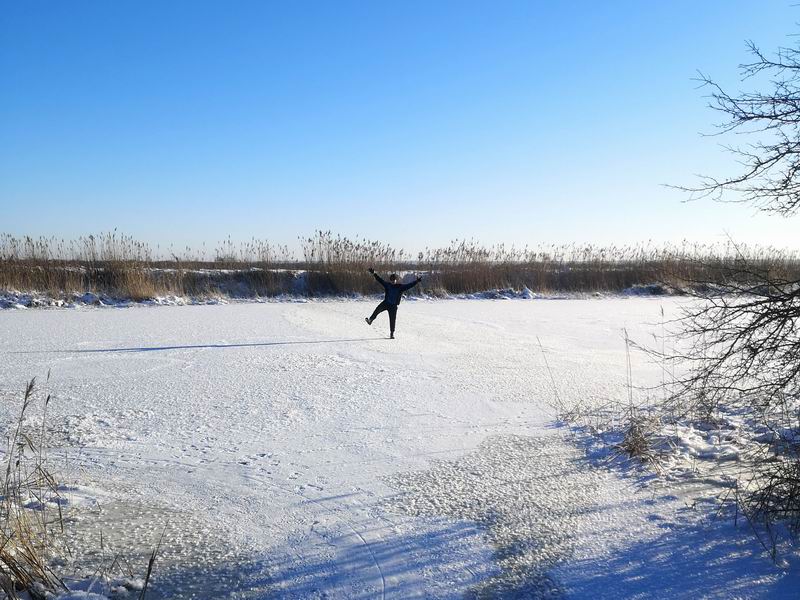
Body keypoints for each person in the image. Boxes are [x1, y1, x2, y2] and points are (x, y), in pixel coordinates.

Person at [365, 268, 422, 339]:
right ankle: (370, 320)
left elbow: (409, 285)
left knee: (392, 320)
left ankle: (392, 333)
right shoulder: (388, 285)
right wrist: (374, 273)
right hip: (386, 303)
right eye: (391, 280)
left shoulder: (400, 287)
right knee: (377, 310)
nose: (393, 281)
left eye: (394, 280)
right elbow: (380, 280)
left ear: (396, 280)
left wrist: (416, 281)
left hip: (393, 306)